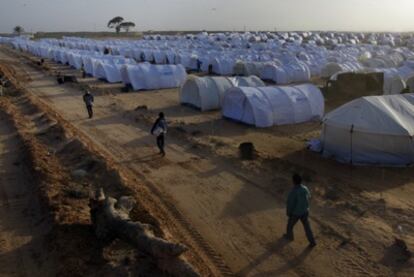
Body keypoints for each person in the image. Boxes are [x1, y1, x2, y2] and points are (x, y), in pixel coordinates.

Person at [284, 173, 316, 247]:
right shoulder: (305, 188)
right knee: (307, 227)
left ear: (293, 181)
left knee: (290, 225)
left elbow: (290, 204)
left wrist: (288, 213)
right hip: (305, 211)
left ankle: (290, 237)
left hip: (296, 213)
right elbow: (309, 197)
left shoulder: (293, 191)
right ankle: (312, 242)